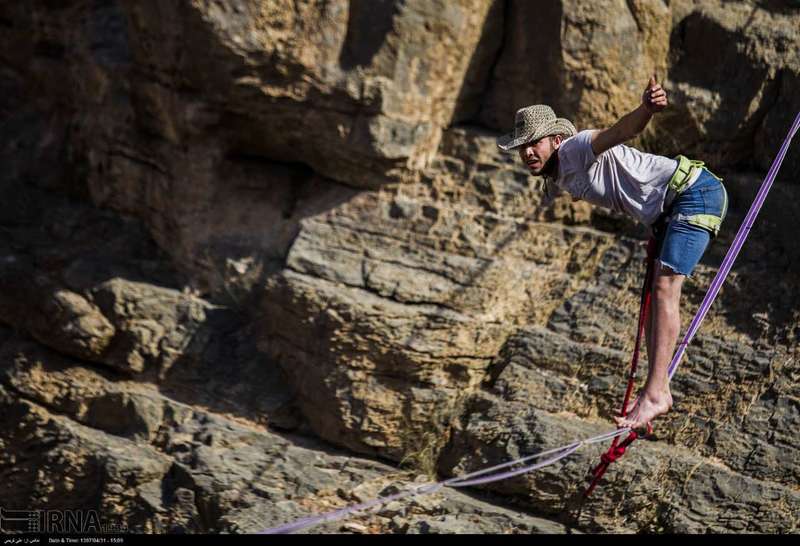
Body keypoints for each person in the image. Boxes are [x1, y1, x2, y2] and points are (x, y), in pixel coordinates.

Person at [496, 76, 728, 431]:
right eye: (521, 147)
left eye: (533, 144)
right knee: (654, 297)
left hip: (695, 193)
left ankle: (655, 394)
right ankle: (656, 388)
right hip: (673, 207)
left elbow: (619, 132)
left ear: (556, 140)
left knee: (666, 290)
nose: (527, 152)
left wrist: (646, 109)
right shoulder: (559, 173)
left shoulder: (574, 149)